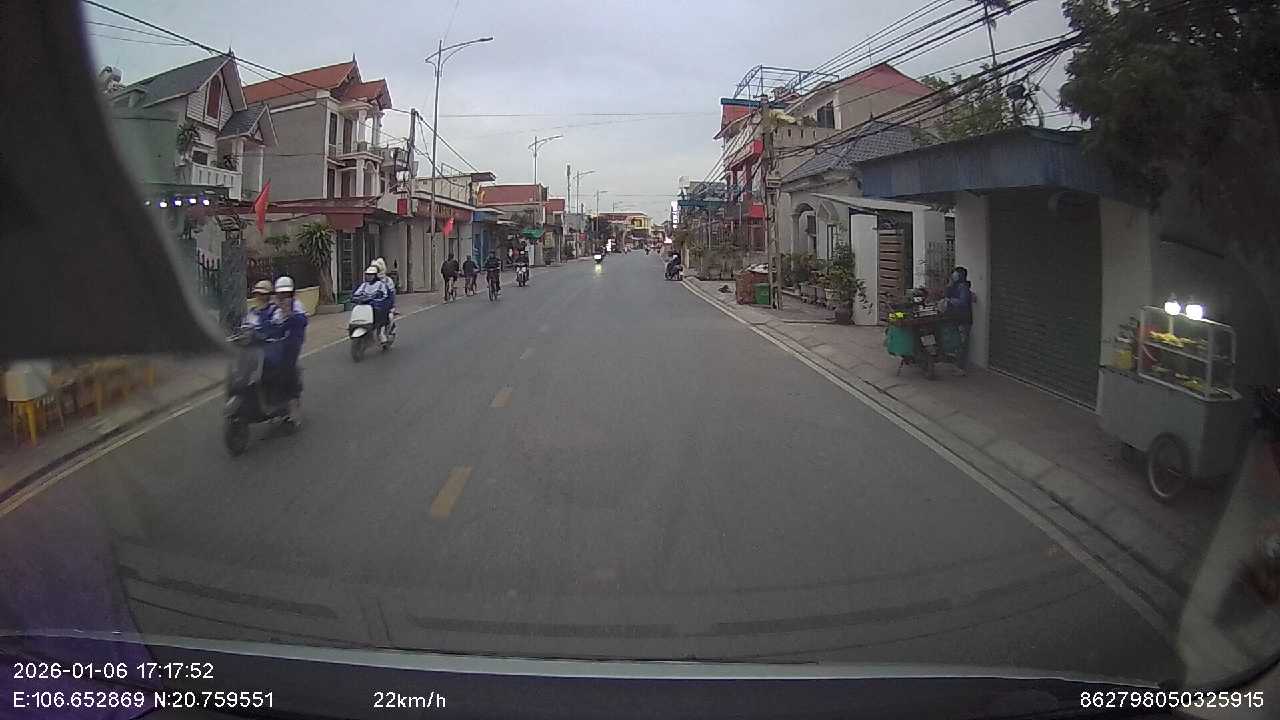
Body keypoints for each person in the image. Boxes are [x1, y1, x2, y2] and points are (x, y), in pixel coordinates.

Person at [269, 276, 308, 422]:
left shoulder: (297, 306)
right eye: (281, 294)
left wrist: (290, 315)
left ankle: (293, 403)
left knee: (286, 370)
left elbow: (302, 321)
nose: (283, 297)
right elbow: (268, 324)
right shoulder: (273, 308)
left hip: (291, 344)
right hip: (273, 346)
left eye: (287, 294)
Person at [943, 266, 975, 376]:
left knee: (962, 344)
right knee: (957, 343)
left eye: (956, 274)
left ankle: (961, 368)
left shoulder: (963, 287)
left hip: (963, 319)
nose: (954, 275)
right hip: (957, 319)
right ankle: (957, 365)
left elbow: (963, 302)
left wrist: (950, 300)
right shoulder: (955, 286)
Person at [352, 265, 391, 341]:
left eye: (371, 275)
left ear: (375, 276)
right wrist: (355, 298)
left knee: (380, 314)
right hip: (365, 305)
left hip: (377, 305)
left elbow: (385, 295)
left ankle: (381, 333)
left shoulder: (381, 284)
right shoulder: (364, 285)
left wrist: (378, 298)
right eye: (367, 275)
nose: (369, 277)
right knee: (356, 309)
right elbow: (356, 293)